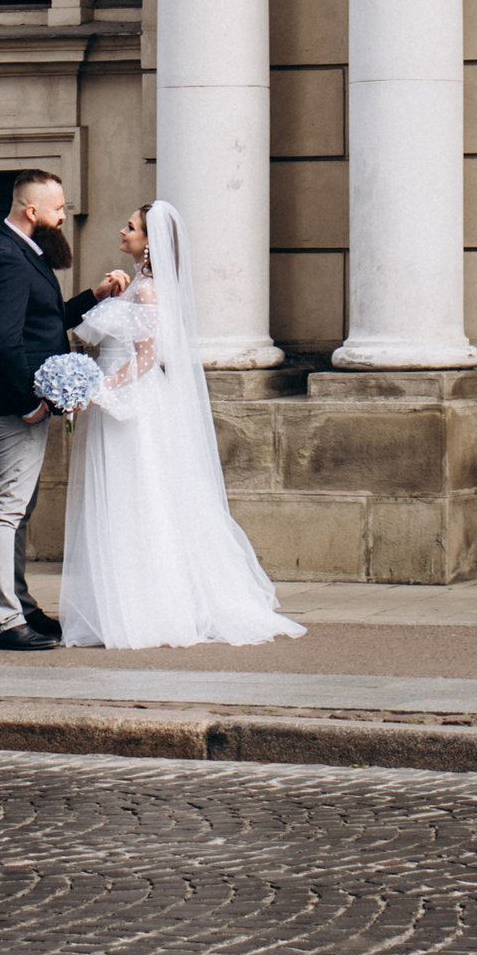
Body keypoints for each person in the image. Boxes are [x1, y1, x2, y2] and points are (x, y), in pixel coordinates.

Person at [59, 199, 305, 653]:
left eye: (130, 227)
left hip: (128, 403)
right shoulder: (137, 286)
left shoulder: (150, 292)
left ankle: (149, 608)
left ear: (149, 242)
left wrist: (99, 388)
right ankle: (123, 602)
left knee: (138, 496)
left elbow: (149, 357)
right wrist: (111, 292)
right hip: (115, 399)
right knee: (122, 497)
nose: (121, 232)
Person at [0, 168, 124, 652]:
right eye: (57, 210)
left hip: (19, 403)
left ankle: (20, 605)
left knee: (18, 508)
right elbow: (3, 342)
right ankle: (5, 622)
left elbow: (42, 321)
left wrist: (92, 297)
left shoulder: (22, 252)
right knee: (6, 509)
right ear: (31, 212)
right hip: (12, 406)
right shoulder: (6, 259)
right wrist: (30, 402)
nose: (62, 217)